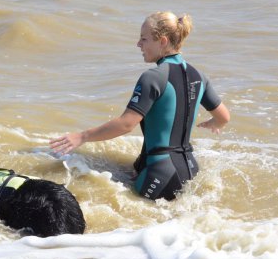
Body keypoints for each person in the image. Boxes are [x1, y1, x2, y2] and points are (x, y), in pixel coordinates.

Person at [49, 12, 230, 200]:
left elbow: (126, 124)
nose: (138, 44)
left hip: (161, 171)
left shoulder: (154, 77)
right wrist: (214, 123)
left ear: (162, 41)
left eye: (144, 39)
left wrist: (82, 136)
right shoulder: (198, 75)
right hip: (191, 168)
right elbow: (224, 117)